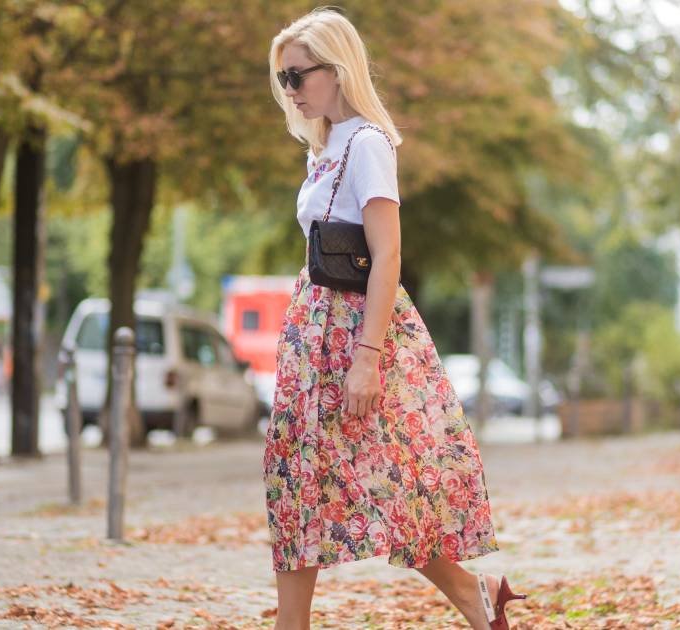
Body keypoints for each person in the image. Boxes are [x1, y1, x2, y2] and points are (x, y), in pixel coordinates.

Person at [263, 8, 525, 630]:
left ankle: (473, 592)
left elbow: (388, 255)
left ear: (336, 69)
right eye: (283, 79)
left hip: (356, 334)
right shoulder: (323, 149)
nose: (290, 90)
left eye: (298, 75)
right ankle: (295, 623)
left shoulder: (367, 145)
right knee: (296, 482)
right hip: (312, 336)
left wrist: (367, 357)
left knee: (387, 484)